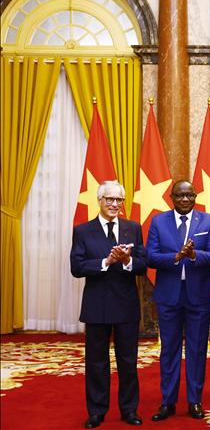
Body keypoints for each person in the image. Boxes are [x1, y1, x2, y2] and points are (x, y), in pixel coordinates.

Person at [70, 181, 146, 429]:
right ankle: (96, 411)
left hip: (126, 305)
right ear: (99, 200)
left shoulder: (133, 228)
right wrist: (106, 261)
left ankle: (129, 410)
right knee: (96, 362)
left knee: (128, 361)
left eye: (119, 200)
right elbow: (76, 267)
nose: (114, 204)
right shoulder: (83, 231)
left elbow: (143, 265)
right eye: (109, 199)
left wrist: (126, 261)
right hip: (97, 305)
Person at [146, 180, 210, 421]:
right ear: (171, 198)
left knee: (197, 350)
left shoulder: (207, 221)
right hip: (168, 296)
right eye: (180, 195)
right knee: (169, 350)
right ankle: (167, 402)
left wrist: (194, 254)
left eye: (189, 195)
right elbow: (151, 256)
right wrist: (176, 257)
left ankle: (194, 400)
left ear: (195, 196)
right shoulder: (158, 221)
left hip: (198, 297)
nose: (185, 199)